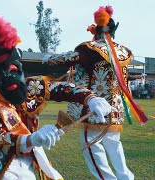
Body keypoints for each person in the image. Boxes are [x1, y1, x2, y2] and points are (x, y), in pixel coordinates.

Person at [0, 15, 112, 180]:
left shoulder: (33, 86)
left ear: (20, 68)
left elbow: (62, 88)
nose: (8, 78)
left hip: (30, 153)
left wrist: (90, 98)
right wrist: (33, 138)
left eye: (12, 70)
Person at [43, 6, 148, 180]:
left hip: (93, 110)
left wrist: (48, 59)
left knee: (91, 147)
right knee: (115, 146)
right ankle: (126, 178)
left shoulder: (89, 49)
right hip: (115, 110)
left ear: (97, 30)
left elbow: (66, 58)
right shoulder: (124, 51)